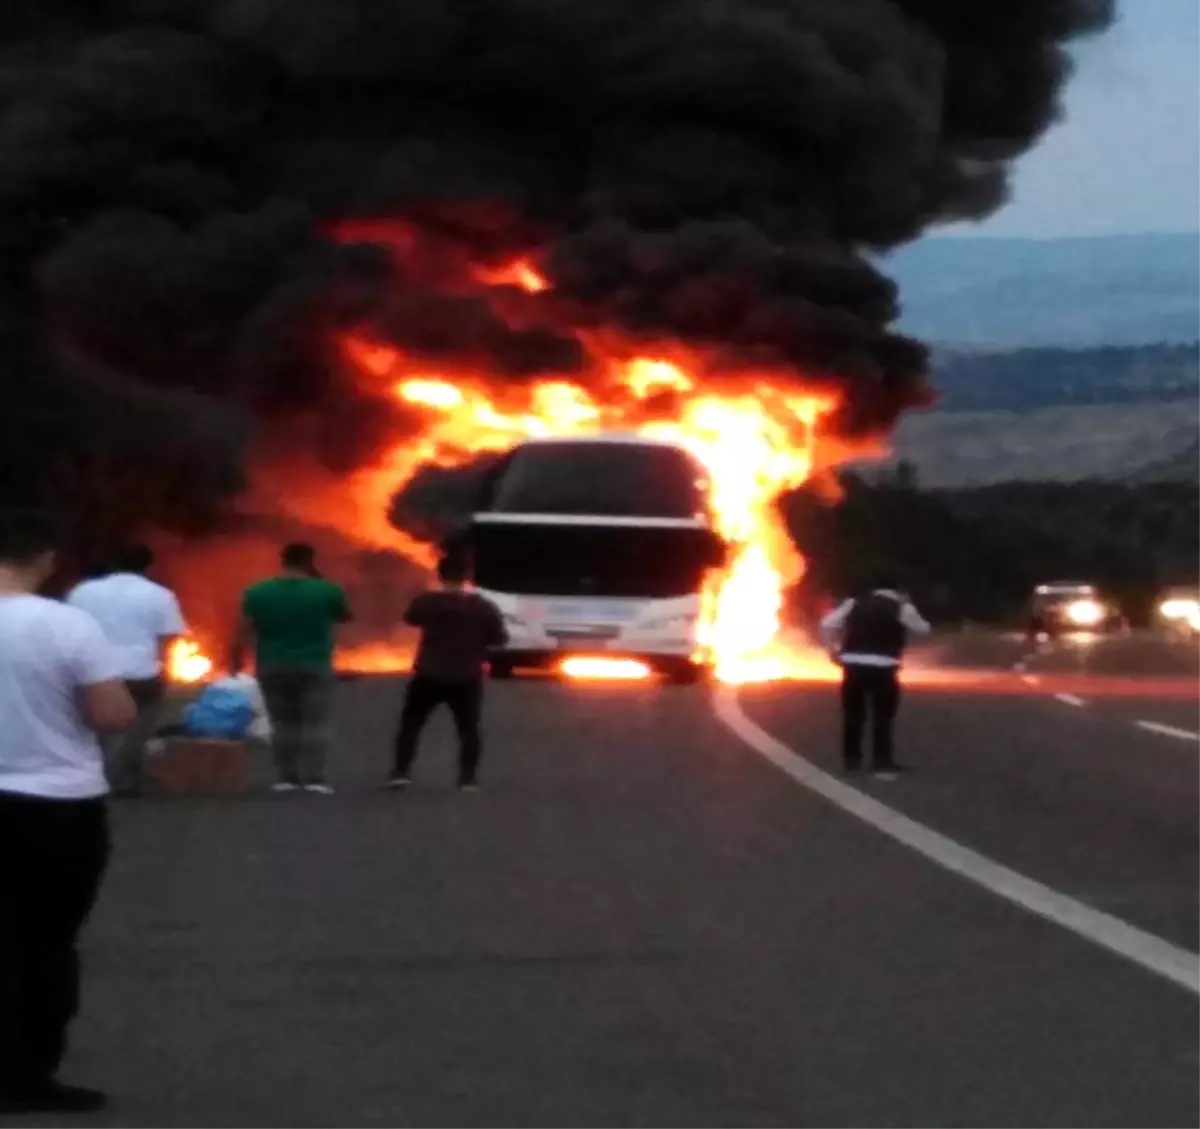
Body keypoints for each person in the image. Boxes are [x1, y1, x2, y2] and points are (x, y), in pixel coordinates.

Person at [0, 510, 136, 1114]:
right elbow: (113, 715)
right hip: (59, 807)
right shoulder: (67, 626)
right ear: (46, 558)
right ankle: (30, 1076)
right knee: (47, 943)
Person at [66, 544, 186, 795]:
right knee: (138, 727)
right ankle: (123, 779)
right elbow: (167, 637)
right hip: (140, 672)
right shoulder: (160, 595)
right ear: (148, 566)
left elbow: (69, 629)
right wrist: (164, 669)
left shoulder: (83, 591)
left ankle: (91, 776)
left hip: (91, 671)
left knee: (91, 727)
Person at [233, 543, 350, 795]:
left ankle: (286, 778)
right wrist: (319, 580)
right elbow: (344, 615)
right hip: (314, 664)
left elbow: (244, 628)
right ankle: (315, 779)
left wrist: (235, 659)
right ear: (310, 561)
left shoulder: (258, 591)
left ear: (282, 560)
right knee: (314, 723)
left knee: (282, 722)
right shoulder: (327, 590)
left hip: (272, 664)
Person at [390, 553, 508, 792]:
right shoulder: (482, 606)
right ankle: (467, 779)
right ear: (467, 576)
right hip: (466, 675)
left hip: (429, 672)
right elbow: (500, 638)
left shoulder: (427, 601)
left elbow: (410, 619)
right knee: (468, 728)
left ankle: (401, 772)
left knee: (412, 723)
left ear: (440, 575)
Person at [819, 577, 931, 779]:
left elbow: (827, 624)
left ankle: (852, 760)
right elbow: (923, 629)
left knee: (853, 713)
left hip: (853, 664)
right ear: (899, 590)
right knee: (883, 716)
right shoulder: (901, 606)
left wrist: (832, 651)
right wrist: (909, 604)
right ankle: (881, 761)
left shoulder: (854, 602)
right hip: (884, 666)